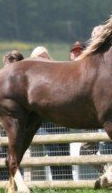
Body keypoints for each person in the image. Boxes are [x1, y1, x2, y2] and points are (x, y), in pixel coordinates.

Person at [30, 46, 73, 180]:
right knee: (54, 151)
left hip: (61, 122)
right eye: (39, 57)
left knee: (65, 153)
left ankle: (68, 184)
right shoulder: (31, 78)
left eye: (44, 56)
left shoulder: (57, 73)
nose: (42, 60)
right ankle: (57, 182)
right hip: (45, 124)